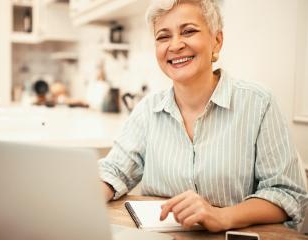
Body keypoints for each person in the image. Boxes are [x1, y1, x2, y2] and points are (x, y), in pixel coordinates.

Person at [99, 0, 307, 232]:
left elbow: (286, 194)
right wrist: (87, 193)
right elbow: (114, 171)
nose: (175, 45)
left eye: (188, 31)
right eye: (163, 37)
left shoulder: (258, 103)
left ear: (216, 41)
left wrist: (222, 216)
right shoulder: (147, 109)